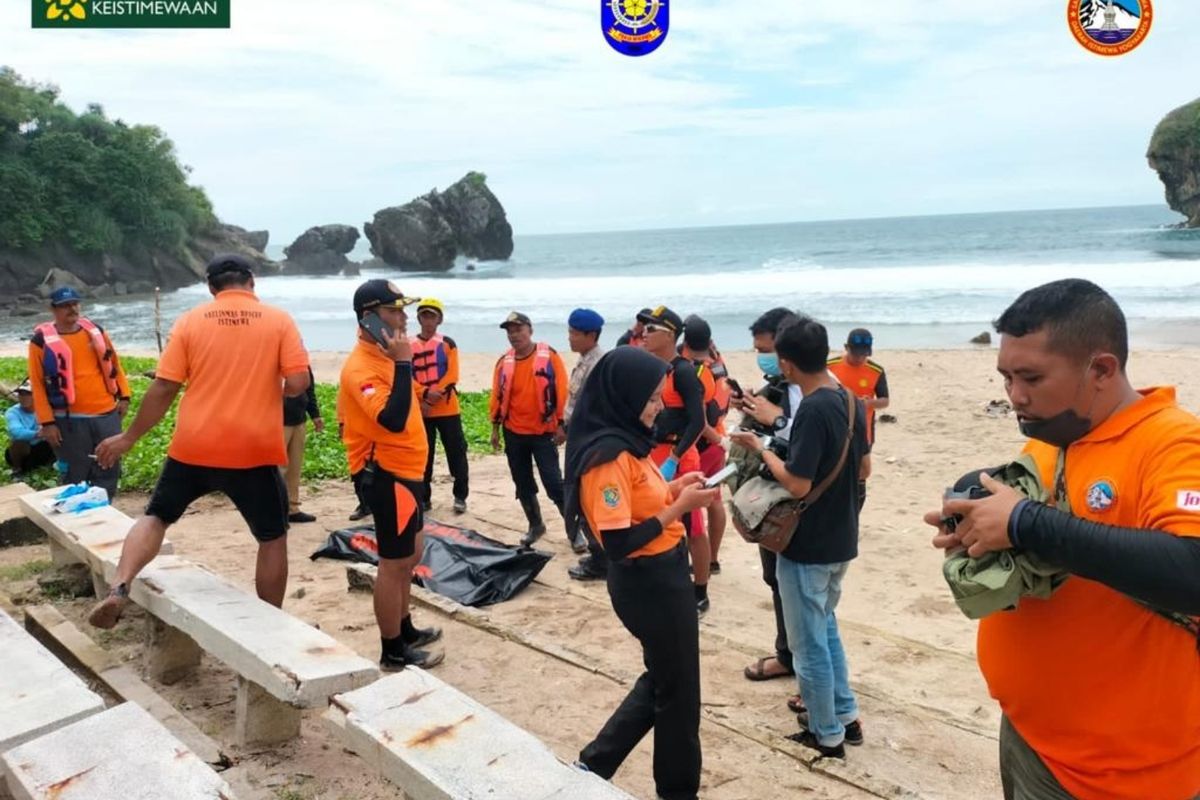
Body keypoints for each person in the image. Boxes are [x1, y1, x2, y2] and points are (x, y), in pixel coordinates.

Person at [925, 279, 1200, 800]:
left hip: (1124, 773)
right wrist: (979, 525)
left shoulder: (1173, 441)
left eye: (1031, 377)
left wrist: (1026, 522)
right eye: (1006, 376)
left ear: (1101, 370)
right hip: (1031, 738)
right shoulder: (1054, 436)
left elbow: (1193, 569)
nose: (1014, 395)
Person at [88, 254, 310, 629]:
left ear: (211, 288)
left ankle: (119, 588)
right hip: (252, 450)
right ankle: (272, 623)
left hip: (195, 446)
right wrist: (275, 389)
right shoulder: (278, 320)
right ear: (251, 282)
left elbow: (164, 386)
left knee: (157, 515)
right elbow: (299, 383)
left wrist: (129, 437)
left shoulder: (191, 321)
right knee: (272, 537)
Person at [565, 346, 718, 800]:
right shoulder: (608, 457)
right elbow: (617, 543)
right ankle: (677, 790)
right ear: (624, 396)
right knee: (679, 692)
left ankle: (595, 762)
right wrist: (678, 509)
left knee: (664, 680)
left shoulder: (629, 442)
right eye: (651, 398)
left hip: (664, 571)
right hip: (646, 582)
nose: (659, 406)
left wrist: (675, 488)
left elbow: (640, 505)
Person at [732, 316, 870, 759]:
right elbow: (863, 468)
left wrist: (763, 449)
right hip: (841, 534)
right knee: (826, 627)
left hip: (808, 542)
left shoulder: (811, 408)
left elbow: (797, 485)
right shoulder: (850, 400)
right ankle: (845, 714)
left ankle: (825, 732)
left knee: (807, 643)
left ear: (787, 364)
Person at [339, 279, 443, 670]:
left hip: (409, 473)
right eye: (393, 311)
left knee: (410, 555)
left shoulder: (383, 355)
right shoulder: (362, 366)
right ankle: (392, 650)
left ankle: (405, 627)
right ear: (369, 318)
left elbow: (407, 397)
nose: (403, 319)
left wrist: (411, 378)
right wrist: (403, 362)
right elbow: (393, 419)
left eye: (403, 310)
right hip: (386, 475)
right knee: (393, 562)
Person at [737, 307, 804, 685]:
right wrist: (752, 410)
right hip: (774, 500)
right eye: (757, 349)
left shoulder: (813, 392)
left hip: (797, 502)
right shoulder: (777, 386)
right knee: (777, 579)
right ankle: (787, 653)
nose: (761, 356)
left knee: (800, 590)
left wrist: (773, 421)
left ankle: (796, 662)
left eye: (765, 349)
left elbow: (807, 443)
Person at [639, 306, 716, 615]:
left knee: (693, 525)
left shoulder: (683, 371)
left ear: (669, 335)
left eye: (651, 329)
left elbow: (698, 422)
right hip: (654, 453)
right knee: (659, 517)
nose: (644, 334)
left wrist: (674, 457)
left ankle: (700, 591)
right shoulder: (651, 368)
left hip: (681, 456)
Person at [27, 286, 132, 498]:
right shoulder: (40, 342)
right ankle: (75, 517)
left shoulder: (96, 332)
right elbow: (37, 384)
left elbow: (114, 364)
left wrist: (125, 395)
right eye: (65, 306)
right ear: (53, 309)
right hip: (69, 419)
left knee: (109, 466)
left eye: (74, 304)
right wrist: (47, 423)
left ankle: (103, 511)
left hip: (106, 413)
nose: (72, 309)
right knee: (75, 472)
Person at [489, 311, 569, 548]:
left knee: (554, 483)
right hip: (513, 432)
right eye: (510, 331)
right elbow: (496, 395)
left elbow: (563, 391)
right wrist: (495, 428)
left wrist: (562, 425)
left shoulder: (550, 356)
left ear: (530, 330)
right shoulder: (504, 361)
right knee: (522, 482)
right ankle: (535, 525)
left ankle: (574, 531)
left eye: (518, 329)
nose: (514, 335)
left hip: (543, 432)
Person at [680, 314, 731, 575]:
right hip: (718, 441)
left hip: (703, 444)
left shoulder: (694, 372)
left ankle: (702, 559)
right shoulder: (718, 362)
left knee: (696, 505)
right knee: (715, 500)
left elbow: (698, 420)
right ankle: (713, 559)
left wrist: (717, 439)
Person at [411, 297, 469, 515]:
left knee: (457, 453)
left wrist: (433, 396)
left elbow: (452, 375)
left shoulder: (448, 344)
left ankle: (460, 496)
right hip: (421, 410)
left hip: (447, 409)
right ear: (418, 318)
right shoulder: (407, 345)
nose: (428, 320)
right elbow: (405, 374)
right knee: (423, 456)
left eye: (432, 316)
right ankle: (424, 498)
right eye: (424, 315)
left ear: (440, 320)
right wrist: (424, 395)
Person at [827, 328, 889, 509]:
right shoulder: (829, 366)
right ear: (846, 347)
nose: (859, 358)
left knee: (861, 473)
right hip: (834, 427)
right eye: (855, 354)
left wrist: (868, 403)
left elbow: (885, 400)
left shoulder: (875, 370)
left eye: (864, 355)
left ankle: (853, 508)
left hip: (863, 429)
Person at [562, 307, 606, 555]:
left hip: (587, 439)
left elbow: (589, 407)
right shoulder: (583, 359)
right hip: (576, 435)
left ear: (591, 335)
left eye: (575, 333)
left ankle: (597, 552)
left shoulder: (598, 364)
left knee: (585, 494)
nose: (570, 337)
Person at [281, 367, 323, 523]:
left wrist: (315, 415)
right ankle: (274, 509)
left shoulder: (301, 360)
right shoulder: (273, 357)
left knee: (294, 467)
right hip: (278, 421)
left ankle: (292, 508)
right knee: (278, 468)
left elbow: (309, 388)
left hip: (299, 419)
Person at [5, 381, 54, 478]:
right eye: (21, 394)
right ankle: (17, 469)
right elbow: (16, 432)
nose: (24, 397)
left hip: (44, 447)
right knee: (18, 442)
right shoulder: (12, 412)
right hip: (26, 451)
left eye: (28, 394)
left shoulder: (47, 408)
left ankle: (57, 464)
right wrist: (37, 434)